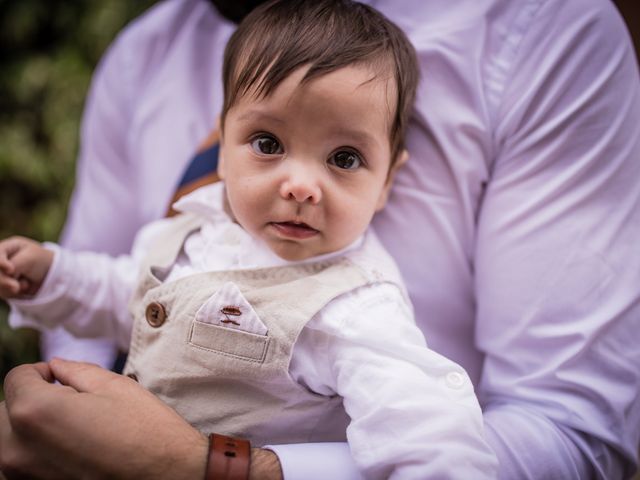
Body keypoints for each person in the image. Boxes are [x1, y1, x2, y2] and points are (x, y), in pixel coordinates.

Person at [1, 0, 639, 478]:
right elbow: (126, 291)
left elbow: (434, 432)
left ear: (390, 181)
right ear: (220, 141)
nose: (301, 185)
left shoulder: (353, 309)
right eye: (268, 145)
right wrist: (55, 277)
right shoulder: (189, 200)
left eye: (343, 158)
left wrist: (211, 467)